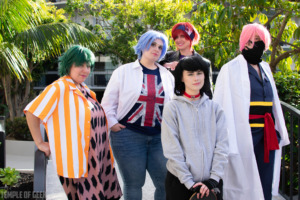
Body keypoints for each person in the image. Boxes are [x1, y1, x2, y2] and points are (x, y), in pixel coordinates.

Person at [24, 45, 122, 200]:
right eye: (80, 65)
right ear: (68, 65)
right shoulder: (59, 87)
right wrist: (40, 142)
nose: (85, 70)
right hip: (80, 162)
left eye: (88, 66)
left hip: (98, 159)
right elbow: (31, 112)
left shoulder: (83, 89)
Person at [213, 23, 290, 200]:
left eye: (258, 40)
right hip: (244, 133)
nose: (253, 45)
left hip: (267, 134)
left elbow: (273, 102)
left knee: (265, 180)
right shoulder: (230, 69)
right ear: (242, 43)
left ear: (265, 43)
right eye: (249, 41)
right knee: (243, 183)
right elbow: (221, 106)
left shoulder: (266, 69)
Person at [101, 30, 174, 200]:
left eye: (160, 47)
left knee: (165, 183)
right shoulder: (123, 71)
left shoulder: (167, 75)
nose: (156, 49)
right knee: (134, 184)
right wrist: (112, 123)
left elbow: (172, 106)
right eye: (153, 44)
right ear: (143, 45)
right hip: (128, 136)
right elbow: (108, 103)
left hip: (159, 138)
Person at [161, 55, 229, 200]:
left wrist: (213, 179)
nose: (196, 78)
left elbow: (222, 146)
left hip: (212, 184)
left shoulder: (215, 108)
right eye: (190, 74)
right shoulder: (172, 108)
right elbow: (172, 149)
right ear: (181, 78)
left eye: (199, 73)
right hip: (180, 182)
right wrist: (189, 182)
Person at [159, 22, 213, 99]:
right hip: (170, 103)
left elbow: (207, 92)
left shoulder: (204, 62)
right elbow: (153, 66)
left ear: (190, 37)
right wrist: (166, 65)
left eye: (182, 36)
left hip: (194, 104)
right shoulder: (168, 57)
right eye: (176, 37)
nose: (178, 40)